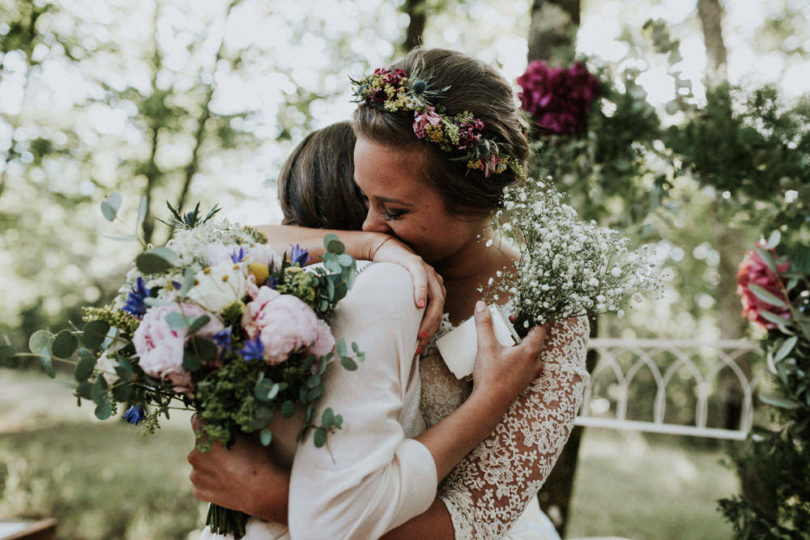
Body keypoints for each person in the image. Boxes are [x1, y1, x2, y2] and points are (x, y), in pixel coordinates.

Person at [191, 48, 590, 538]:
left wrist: (275, 498)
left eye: (394, 211)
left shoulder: (548, 316)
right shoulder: (368, 252)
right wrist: (375, 245)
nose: (367, 220)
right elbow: (207, 251)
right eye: (364, 198)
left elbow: (469, 521)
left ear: (472, 202)